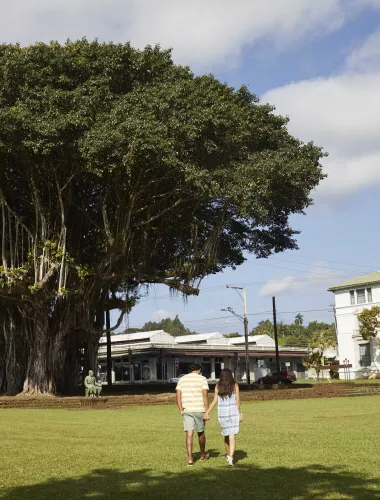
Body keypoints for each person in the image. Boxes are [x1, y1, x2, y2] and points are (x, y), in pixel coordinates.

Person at [203, 368, 242, 466]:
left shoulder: (218, 386)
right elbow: (237, 402)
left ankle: (229, 455)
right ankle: (231, 457)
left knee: (226, 435)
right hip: (233, 413)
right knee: (232, 436)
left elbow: (214, 401)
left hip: (222, 414)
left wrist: (207, 412)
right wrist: (240, 413)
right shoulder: (235, 386)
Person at [176, 363, 210, 466]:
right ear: (199, 370)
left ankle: (190, 458)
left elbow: (178, 395)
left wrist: (181, 409)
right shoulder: (202, 379)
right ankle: (202, 454)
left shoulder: (182, 379)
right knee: (200, 432)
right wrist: (207, 411)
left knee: (189, 433)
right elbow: (205, 395)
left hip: (187, 410)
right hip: (200, 409)